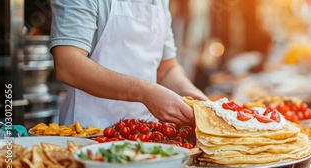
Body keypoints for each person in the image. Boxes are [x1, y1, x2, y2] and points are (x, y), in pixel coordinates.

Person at [49, 0, 208, 128]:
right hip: (87, 133)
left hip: (145, 134)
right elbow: (67, 65)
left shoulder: (160, 2)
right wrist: (144, 93)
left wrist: (188, 91)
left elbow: (166, 69)